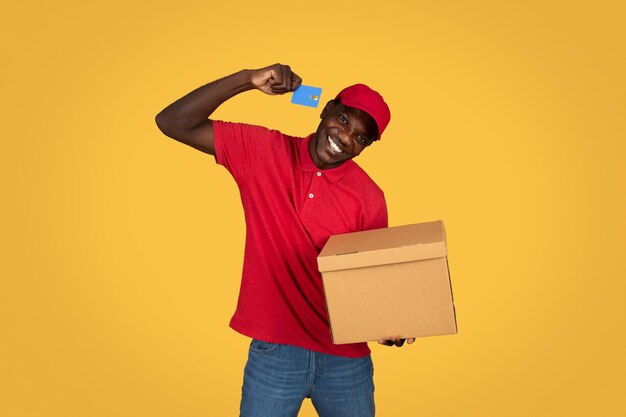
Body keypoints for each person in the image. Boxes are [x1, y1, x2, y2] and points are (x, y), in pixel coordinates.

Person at [155, 63, 414, 417]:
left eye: (361, 137)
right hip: (275, 355)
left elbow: (371, 280)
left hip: (346, 361)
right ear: (326, 110)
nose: (346, 137)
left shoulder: (369, 197)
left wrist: (395, 323)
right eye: (343, 120)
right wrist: (246, 79)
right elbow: (172, 122)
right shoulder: (262, 151)